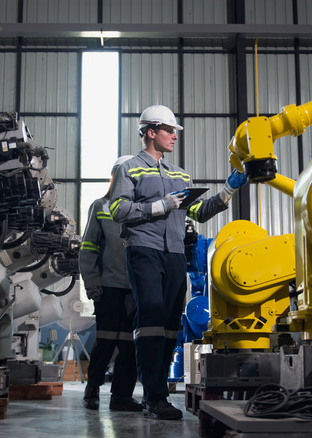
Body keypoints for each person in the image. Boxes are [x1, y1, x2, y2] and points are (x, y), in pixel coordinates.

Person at [108, 104, 248, 420]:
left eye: (175, 132)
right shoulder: (129, 169)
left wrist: (228, 190)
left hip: (174, 256)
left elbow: (197, 212)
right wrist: (159, 206)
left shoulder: (179, 174)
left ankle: (157, 394)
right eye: (170, 130)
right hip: (143, 252)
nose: (174, 136)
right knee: (152, 321)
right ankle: (154, 397)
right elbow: (117, 209)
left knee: (170, 325)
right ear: (150, 131)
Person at [79, 155, 143, 412]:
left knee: (129, 345)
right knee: (105, 340)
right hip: (108, 286)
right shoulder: (100, 207)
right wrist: (92, 282)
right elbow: (88, 248)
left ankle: (121, 397)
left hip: (135, 288)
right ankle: (92, 389)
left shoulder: (142, 210)